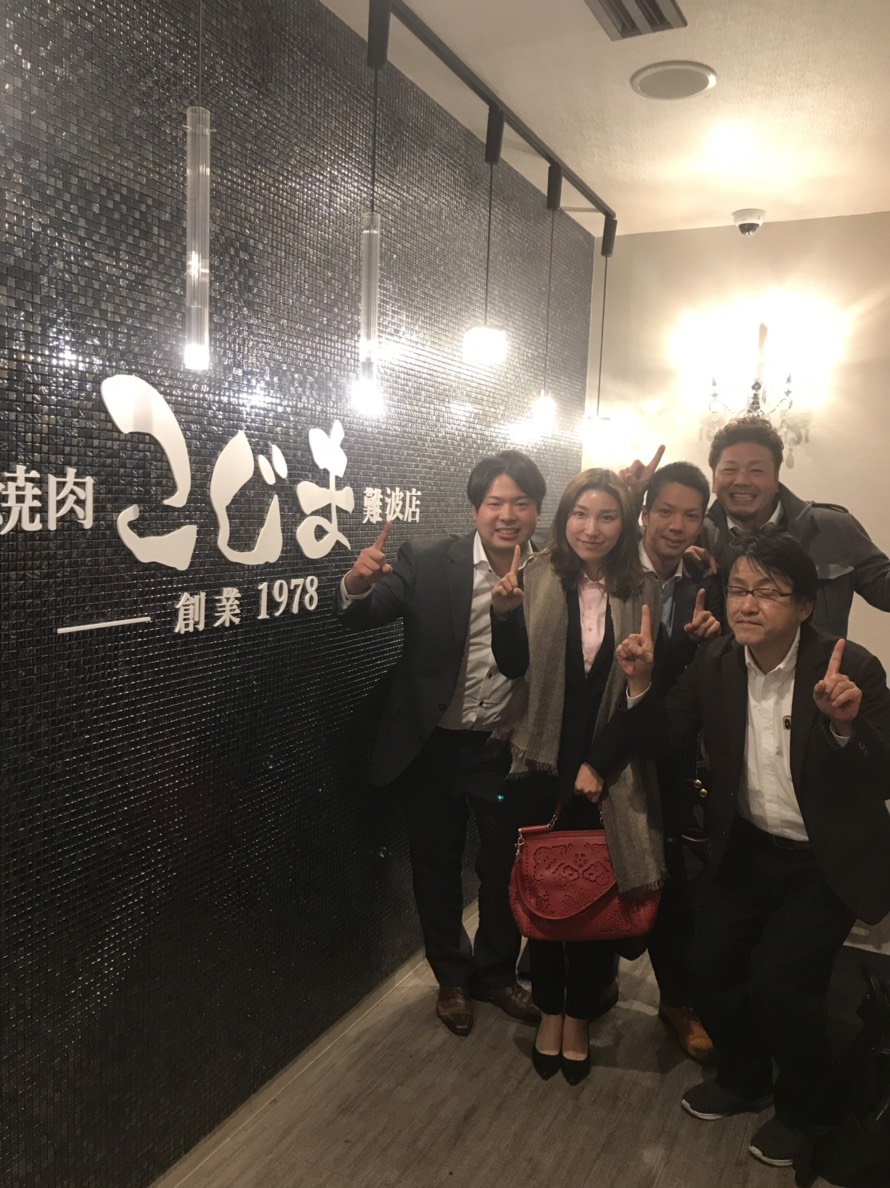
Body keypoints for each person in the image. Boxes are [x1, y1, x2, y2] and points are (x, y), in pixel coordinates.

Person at [597, 532, 890, 1168]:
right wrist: (641, 682)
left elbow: (882, 774)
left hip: (824, 860)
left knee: (783, 982)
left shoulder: (850, 667)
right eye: (738, 589)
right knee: (706, 964)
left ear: (805, 605)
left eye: (768, 592)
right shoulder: (717, 662)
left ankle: (803, 1111)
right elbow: (663, 736)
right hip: (748, 847)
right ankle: (745, 1075)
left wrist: (847, 727)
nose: (748, 604)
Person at [489, 468, 719, 1084]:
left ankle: (580, 1015)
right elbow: (514, 667)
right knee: (546, 892)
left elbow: (648, 683)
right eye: (581, 514)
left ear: (626, 524)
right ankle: (551, 1011)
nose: (592, 528)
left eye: (607, 516)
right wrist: (505, 615)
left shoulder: (640, 585)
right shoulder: (536, 573)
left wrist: (601, 758)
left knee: (594, 896)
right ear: (564, 517)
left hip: (610, 766)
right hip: (540, 759)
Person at [334, 451, 545, 1037]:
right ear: (475, 509)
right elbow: (366, 613)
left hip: (505, 750)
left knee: (505, 868)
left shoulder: (553, 573)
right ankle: (452, 976)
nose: (507, 515)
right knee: (435, 865)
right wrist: (356, 584)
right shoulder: (427, 560)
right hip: (432, 748)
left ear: (537, 510)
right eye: (495, 503)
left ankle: (496, 973)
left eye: (521, 503)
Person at [639, 462, 722, 1062]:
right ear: (643, 513)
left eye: (690, 515)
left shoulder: (700, 580)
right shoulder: (611, 568)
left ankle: (676, 999)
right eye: (665, 511)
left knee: (669, 872)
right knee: (595, 860)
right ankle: (589, 983)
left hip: (667, 747)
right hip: (604, 739)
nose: (676, 524)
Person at [702, 415, 890, 636]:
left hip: (820, 660)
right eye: (730, 470)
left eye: (756, 470)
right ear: (714, 479)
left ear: (776, 479)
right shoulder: (697, 537)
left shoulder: (832, 528)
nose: (742, 480)